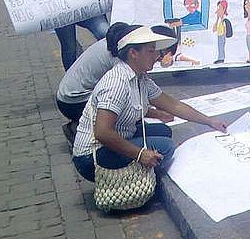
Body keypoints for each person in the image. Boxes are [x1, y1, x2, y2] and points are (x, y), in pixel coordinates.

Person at [71, 25, 228, 183]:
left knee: (163, 131)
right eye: (150, 51)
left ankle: (144, 167)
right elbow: (102, 132)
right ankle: (143, 181)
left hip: (117, 137)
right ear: (133, 53)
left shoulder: (141, 78)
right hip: (91, 156)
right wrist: (140, 154)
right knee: (166, 147)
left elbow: (174, 106)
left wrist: (210, 121)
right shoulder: (117, 83)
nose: (157, 56)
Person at [56, 23, 174, 144]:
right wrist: (157, 114)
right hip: (72, 102)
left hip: (67, 94)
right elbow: (132, 103)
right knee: (126, 113)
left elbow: (151, 95)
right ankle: (78, 129)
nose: (158, 58)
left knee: (146, 124)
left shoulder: (125, 42)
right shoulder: (121, 60)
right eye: (156, 52)